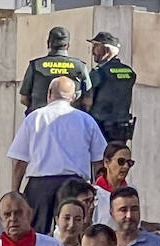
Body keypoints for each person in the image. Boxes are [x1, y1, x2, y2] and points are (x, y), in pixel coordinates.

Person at [8, 77, 105, 235]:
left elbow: (20, 161)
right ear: (74, 97)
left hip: (40, 186)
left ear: (49, 93)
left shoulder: (34, 118)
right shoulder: (87, 120)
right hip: (75, 185)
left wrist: (15, 192)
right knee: (74, 233)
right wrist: (97, 190)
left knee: (38, 236)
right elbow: (99, 160)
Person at [19, 26, 90, 111]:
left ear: (48, 43)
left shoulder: (35, 65)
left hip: (41, 119)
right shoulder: (80, 66)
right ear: (68, 46)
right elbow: (88, 100)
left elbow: (24, 99)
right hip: (70, 118)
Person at [82, 32, 134, 144]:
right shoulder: (130, 72)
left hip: (100, 129)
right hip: (121, 129)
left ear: (106, 50)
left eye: (96, 47)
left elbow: (87, 103)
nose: (92, 52)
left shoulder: (98, 73)